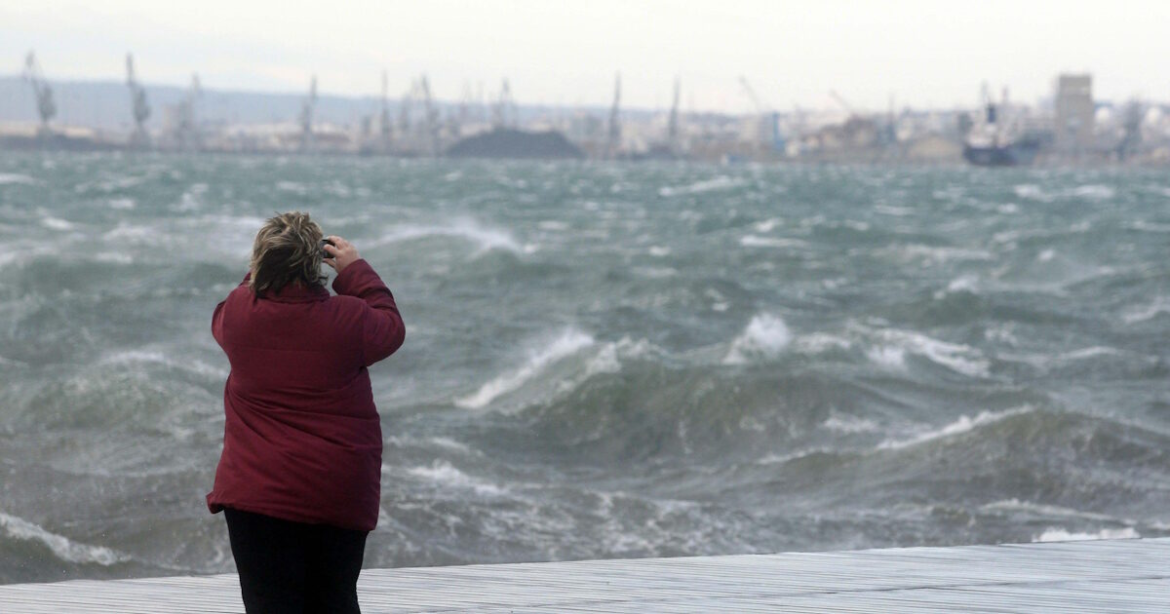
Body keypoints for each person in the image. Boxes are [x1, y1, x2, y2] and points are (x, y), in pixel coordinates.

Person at [206, 211, 405, 613]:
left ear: (261, 261)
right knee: (335, 602)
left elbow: (245, 292)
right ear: (314, 264)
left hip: (257, 495)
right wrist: (355, 271)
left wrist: (263, 267)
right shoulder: (348, 319)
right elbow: (391, 327)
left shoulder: (237, 315)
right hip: (335, 491)